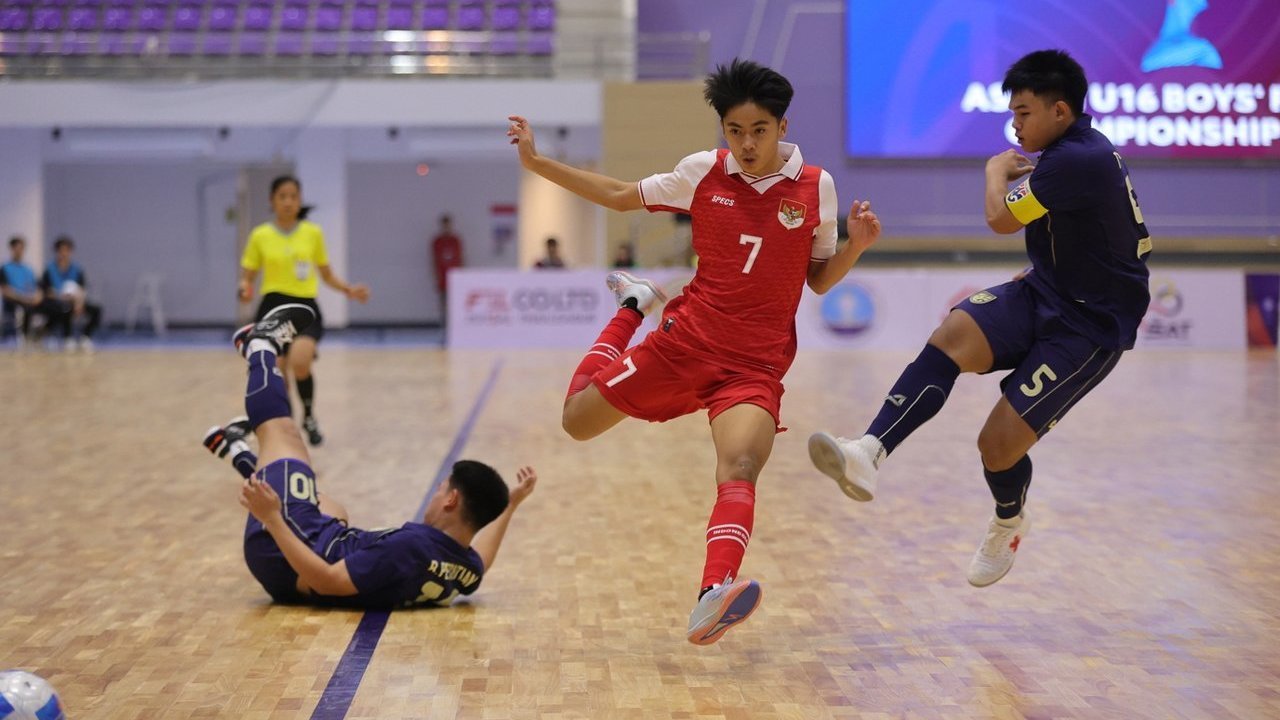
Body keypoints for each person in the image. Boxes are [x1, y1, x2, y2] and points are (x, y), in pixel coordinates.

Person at [507, 58, 880, 645]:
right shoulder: (702, 172)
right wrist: (537, 163)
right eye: (735, 131)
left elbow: (818, 280)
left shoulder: (816, 187)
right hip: (684, 345)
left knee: (741, 466)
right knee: (576, 421)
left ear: (782, 127)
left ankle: (712, 594)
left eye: (759, 131)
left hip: (755, 366)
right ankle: (632, 307)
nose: (747, 144)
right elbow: (620, 195)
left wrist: (854, 247)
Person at [809, 49, 1151, 588]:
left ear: (1060, 111)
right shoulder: (1070, 153)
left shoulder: (1077, 159)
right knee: (953, 334)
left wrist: (993, 172)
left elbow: (999, 218)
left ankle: (1008, 521)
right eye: (1013, 114)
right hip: (1045, 291)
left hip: (1090, 327)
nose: (1015, 126)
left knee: (996, 447)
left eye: (1023, 113)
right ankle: (867, 453)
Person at [202, 303, 537, 607]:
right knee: (331, 507)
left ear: (451, 500)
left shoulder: (409, 548)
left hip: (280, 553)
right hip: (312, 551)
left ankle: (259, 345)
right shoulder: (462, 565)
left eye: (440, 489)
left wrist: (273, 518)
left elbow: (327, 582)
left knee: (282, 434)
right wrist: (510, 505)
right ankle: (236, 450)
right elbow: (483, 560)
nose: (435, 495)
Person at [238, 175, 370, 446]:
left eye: (293, 196)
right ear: (272, 201)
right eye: (282, 196)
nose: (288, 202)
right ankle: (286, 425)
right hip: (272, 307)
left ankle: (309, 416)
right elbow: (248, 276)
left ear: (299, 200)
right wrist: (244, 288)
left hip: (304, 307)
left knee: (300, 362)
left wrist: (349, 290)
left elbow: (326, 274)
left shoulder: (312, 233)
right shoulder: (260, 235)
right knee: (276, 372)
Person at [41, 236, 102, 352]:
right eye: (61, 250)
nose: (64, 253)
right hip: (57, 301)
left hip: (75, 300)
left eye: (66, 250)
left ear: (70, 251)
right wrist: (60, 296)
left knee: (96, 309)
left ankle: (85, 337)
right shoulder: (49, 269)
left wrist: (79, 303)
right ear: (57, 251)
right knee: (64, 307)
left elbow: (82, 289)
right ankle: (66, 337)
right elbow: (45, 290)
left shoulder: (77, 269)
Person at [1, 236, 54, 348]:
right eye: (17, 248)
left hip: (30, 300)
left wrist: (38, 297)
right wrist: (24, 299)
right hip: (15, 301)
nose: (19, 251)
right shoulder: (5, 268)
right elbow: (5, 291)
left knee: (53, 307)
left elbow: (38, 287)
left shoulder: (28, 269)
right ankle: (24, 338)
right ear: (12, 249)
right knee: (25, 309)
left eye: (21, 248)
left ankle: (42, 335)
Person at [431, 214, 464, 319]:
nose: (446, 228)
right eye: (444, 225)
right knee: (444, 303)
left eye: (448, 225)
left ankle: (456, 322)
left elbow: (461, 258)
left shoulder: (455, 240)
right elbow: (434, 259)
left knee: (455, 302)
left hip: (455, 277)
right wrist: (436, 276)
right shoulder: (437, 241)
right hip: (443, 277)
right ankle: (444, 322)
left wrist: (462, 275)